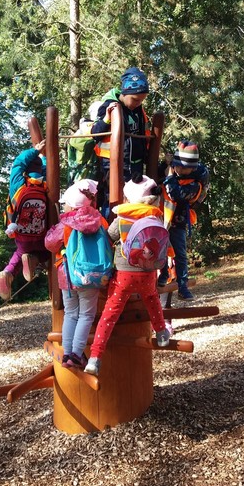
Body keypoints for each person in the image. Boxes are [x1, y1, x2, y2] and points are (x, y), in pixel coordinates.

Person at [84, 173, 172, 376]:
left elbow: (108, 237)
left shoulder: (122, 218)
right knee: (152, 300)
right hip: (148, 273)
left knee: (109, 315)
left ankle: (95, 358)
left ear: (128, 197)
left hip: (123, 274)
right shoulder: (155, 217)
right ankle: (161, 333)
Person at [44, 179, 110, 368]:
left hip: (67, 275)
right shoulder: (100, 220)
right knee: (86, 315)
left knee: (71, 313)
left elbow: (50, 244)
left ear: (72, 205)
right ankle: (77, 354)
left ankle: (67, 354)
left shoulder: (66, 223)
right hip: (92, 274)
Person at [91, 67, 152, 217]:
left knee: (135, 197)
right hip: (112, 163)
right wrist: (107, 118)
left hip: (135, 163)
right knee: (113, 198)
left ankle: (130, 227)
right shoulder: (109, 106)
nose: (138, 103)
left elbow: (142, 133)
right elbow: (95, 133)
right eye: (135, 99)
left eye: (142, 100)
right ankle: (110, 227)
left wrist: (146, 155)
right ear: (124, 92)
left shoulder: (138, 110)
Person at [0, 140, 50, 301]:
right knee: (47, 253)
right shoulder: (45, 185)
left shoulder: (19, 184)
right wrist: (44, 157)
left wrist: (35, 151)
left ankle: (8, 272)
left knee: (21, 252)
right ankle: (33, 261)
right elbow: (46, 169)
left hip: (22, 234)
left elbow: (18, 163)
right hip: (40, 236)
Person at [158, 141, 210, 301]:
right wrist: (166, 165)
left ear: (192, 169)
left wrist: (169, 175)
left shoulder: (196, 183)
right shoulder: (170, 168)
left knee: (180, 253)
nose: (179, 169)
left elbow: (175, 193)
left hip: (178, 221)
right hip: (160, 218)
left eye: (183, 167)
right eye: (177, 165)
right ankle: (163, 274)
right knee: (160, 249)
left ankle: (183, 286)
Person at [67, 101, 102, 185]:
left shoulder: (82, 131)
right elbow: (86, 146)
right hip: (82, 173)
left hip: (89, 172)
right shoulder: (84, 131)